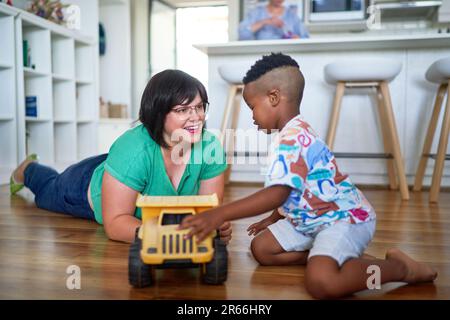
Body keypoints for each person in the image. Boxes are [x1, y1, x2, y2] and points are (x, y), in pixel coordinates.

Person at [179, 53, 437, 299]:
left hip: (343, 218)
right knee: (262, 248)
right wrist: (271, 219)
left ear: (274, 97)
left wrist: (219, 214)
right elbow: (296, 192)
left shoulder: (293, 139)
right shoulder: (291, 133)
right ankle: (336, 259)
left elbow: (277, 193)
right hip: (312, 220)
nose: (252, 117)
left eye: (252, 107)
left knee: (322, 284)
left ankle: (398, 269)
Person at [10, 69, 232, 244]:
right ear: (157, 113)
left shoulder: (209, 147)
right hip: (85, 186)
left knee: (131, 164)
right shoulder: (133, 149)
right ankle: (28, 168)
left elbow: (209, 210)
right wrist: (165, 235)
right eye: (183, 110)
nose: (196, 117)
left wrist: (214, 226)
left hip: (126, 169)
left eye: (200, 107)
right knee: (47, 190)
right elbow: (115, 224)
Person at [239, 0, 309, 40]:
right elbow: (243, 35)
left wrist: (295, 38)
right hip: (262, 56)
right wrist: (264, 22)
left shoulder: (291, 16)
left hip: (286, 57)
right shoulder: (257, 13)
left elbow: (305, 38)